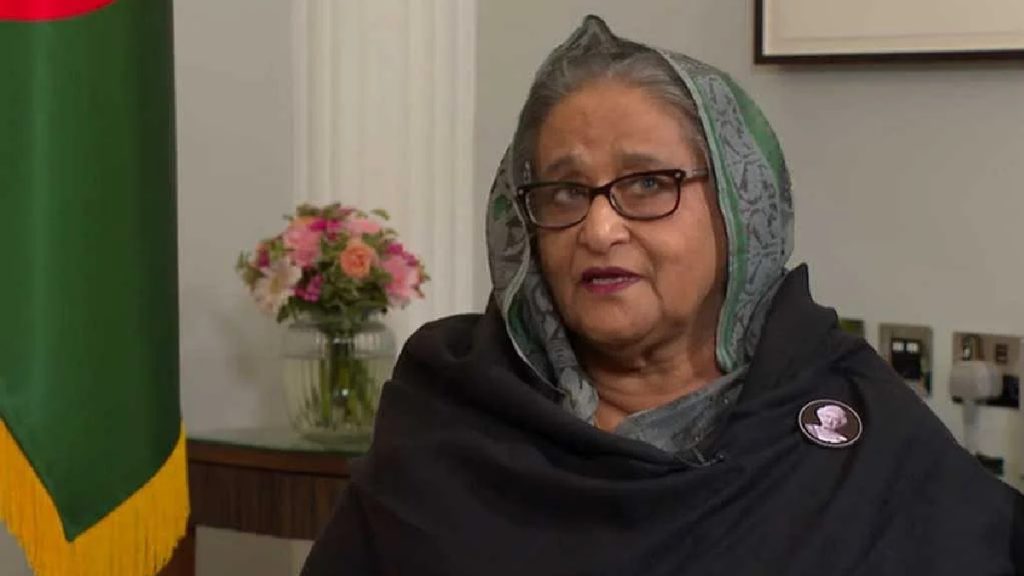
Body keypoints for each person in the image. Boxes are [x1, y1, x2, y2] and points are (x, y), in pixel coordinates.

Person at [302, 15, 1022, 575]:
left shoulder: (852, 427)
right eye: (565, 191)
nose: (598, 228)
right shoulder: (452, 415)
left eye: (648, 183)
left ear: (739, 208)